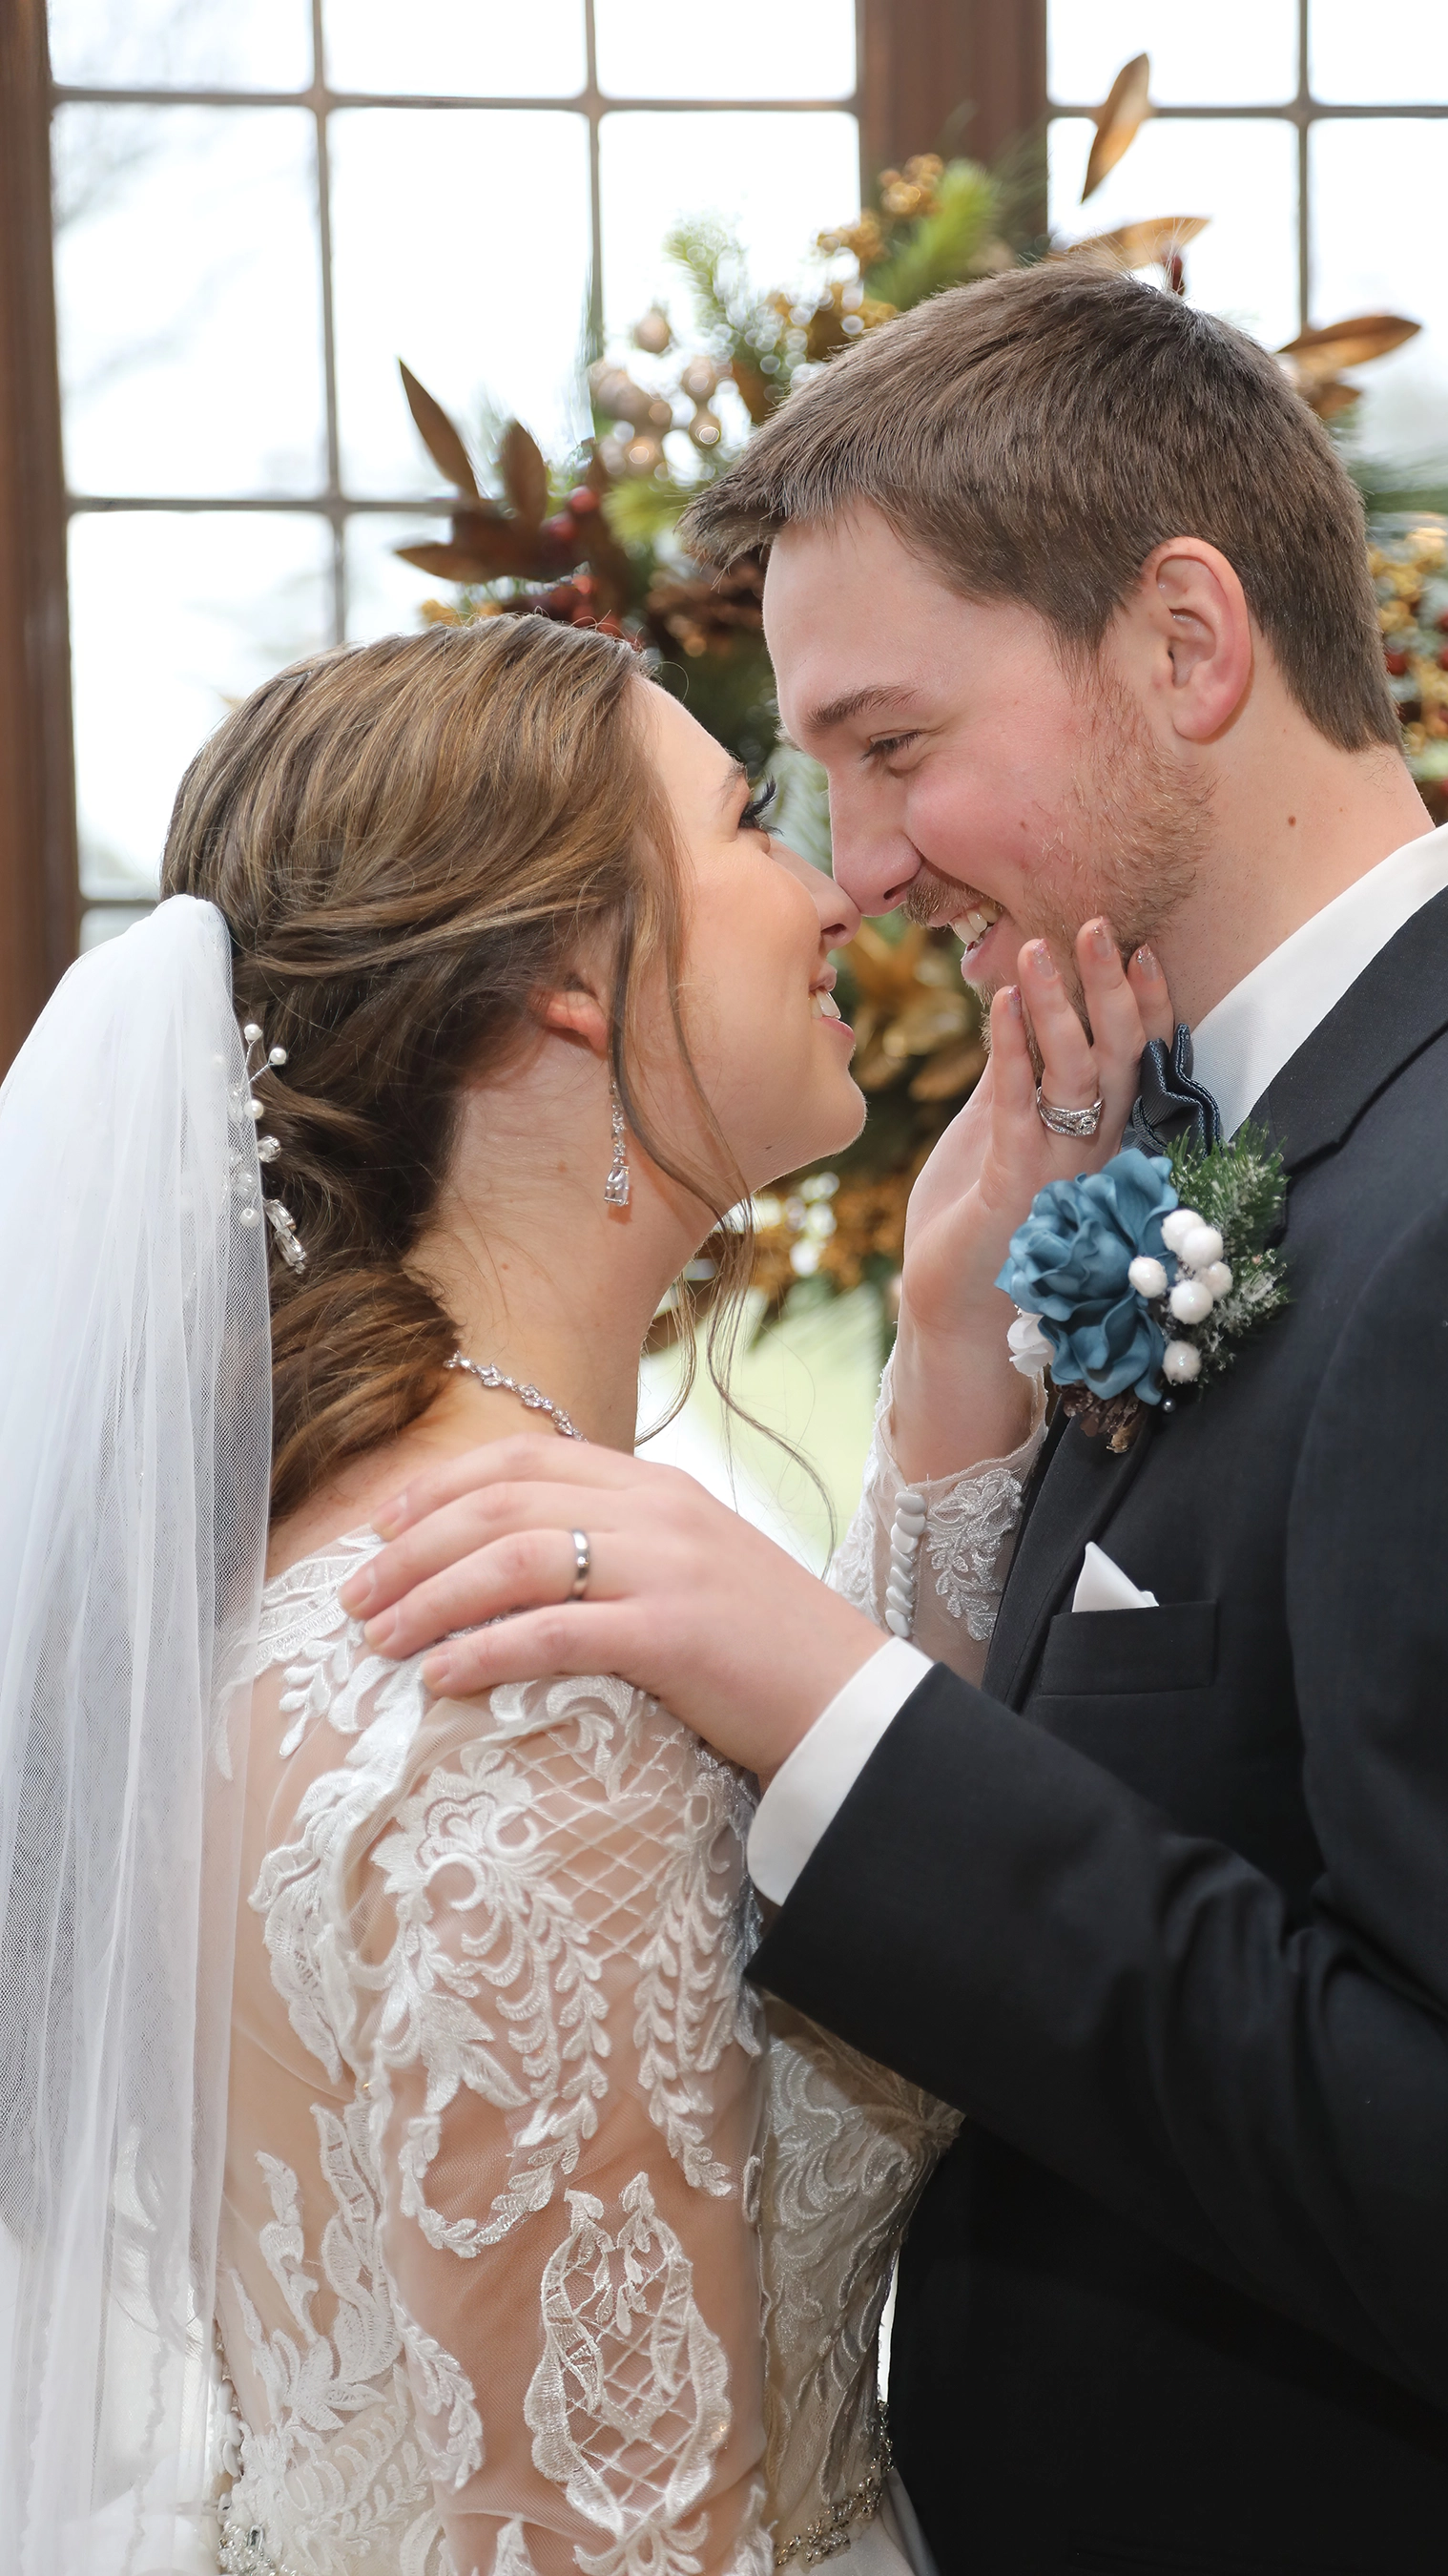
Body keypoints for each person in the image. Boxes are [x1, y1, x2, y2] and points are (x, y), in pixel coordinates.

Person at [347, 265, 1448, 2574]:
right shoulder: (1238, 1136)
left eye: (894, 746)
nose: (861, 864)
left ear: (1187, 645)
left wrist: (841, 1703)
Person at [0, 615, 1112, 2574]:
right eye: (748, 823)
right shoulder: (537, 1695)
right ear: (563, 984)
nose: (836, 890)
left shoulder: (337, 1560)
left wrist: (952, 1356)